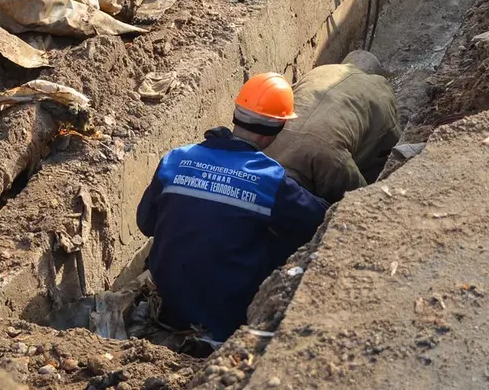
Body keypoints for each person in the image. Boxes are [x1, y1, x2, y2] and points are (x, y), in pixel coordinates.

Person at [136, 73, 328, 347]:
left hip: (168, 306)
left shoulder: (176, 158)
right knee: (282, 234)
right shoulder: (269, 178)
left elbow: (146, 223)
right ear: (277, 129)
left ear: (236, 113)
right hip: (226, 317)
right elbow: (319, 220)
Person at [267, 51, 401, 204]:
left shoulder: (321, 71)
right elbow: (392, 145)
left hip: (274, 149)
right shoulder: (380, 91)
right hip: (325, 157)